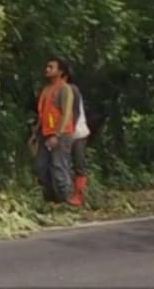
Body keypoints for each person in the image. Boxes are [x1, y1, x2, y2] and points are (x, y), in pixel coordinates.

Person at [33, 56, 78, 206]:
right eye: (47, 66)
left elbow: (66, 114)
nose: (47, 69)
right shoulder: (46, 90)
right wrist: (35, 133)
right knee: (41, 167)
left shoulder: (65, 89)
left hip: (61, 135)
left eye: (51, 67)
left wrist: (57, 135)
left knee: (59, 167)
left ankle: (65, 200)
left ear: (60, 71)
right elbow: (43, 113)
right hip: (45, 134)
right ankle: (52, 200)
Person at [63, 70, 90, 206]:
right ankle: (66, 194)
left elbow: (75, 112)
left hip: (77, 133)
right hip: (66, 133)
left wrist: (69, 131)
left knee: (78, 164)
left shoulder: (72, 89)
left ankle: (79, 196)